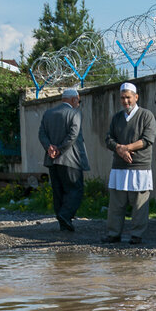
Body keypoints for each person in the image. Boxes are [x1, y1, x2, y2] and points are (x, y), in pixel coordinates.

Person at [103, 82, 156, 245]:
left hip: (139, 166)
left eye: (128, 97)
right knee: (116, 204)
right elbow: (108, 139)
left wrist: (126, 148)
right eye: (122, 98)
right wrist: (119, 149)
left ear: (136, 97)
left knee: (139, 203)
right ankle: (114, 233)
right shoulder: (117, 118)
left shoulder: (146, 116)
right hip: (119, 166)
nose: (125, 101)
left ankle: (137, 234)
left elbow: (147, 140)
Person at [38, 88, 89, 232]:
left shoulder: (48, 113)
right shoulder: (74, 113)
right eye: (78, 100)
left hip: (52, 160)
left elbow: (41, 134)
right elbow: (73, 134)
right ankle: (65, 216)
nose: (78, 103)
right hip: (71, 159)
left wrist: (49, 148)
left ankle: (63, 223)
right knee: (75, 190)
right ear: (73, 99)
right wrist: (59, 149)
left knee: (58, 191)